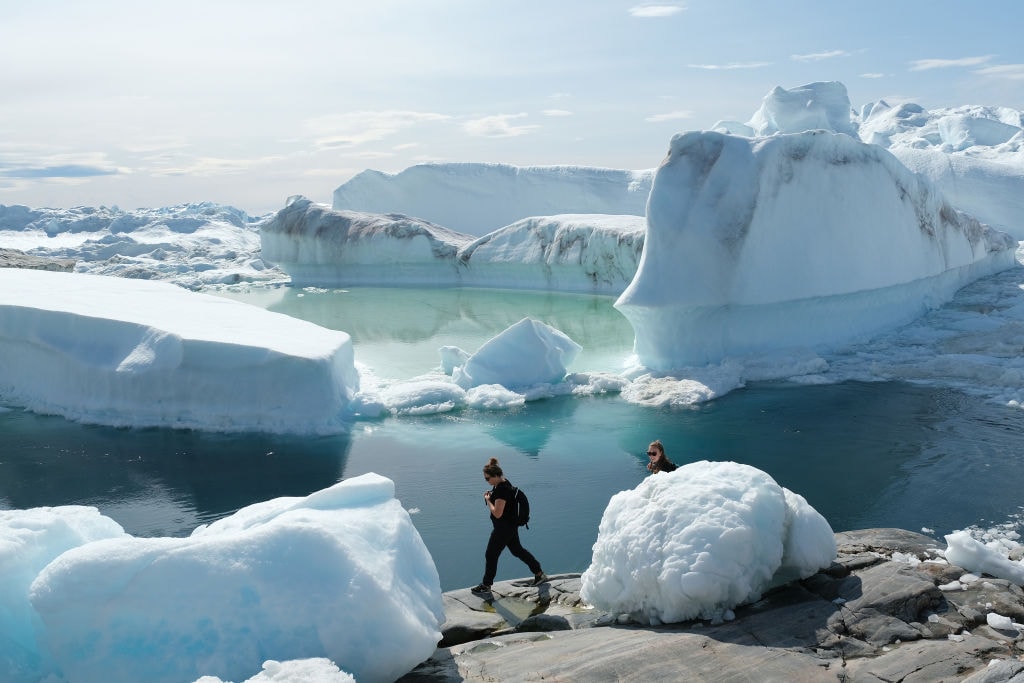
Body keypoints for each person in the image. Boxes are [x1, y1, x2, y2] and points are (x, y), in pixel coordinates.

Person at [471, 457, 548, 594]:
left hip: (503, 528)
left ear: (495, 476)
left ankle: (486, 585)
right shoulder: (503, 483)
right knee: (517, 550)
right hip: (510, 526)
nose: (486, 481)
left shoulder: (502, 490)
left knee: (491, 554)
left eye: (487, 479)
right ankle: (539, 573)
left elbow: (497, 513)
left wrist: (488, 500)